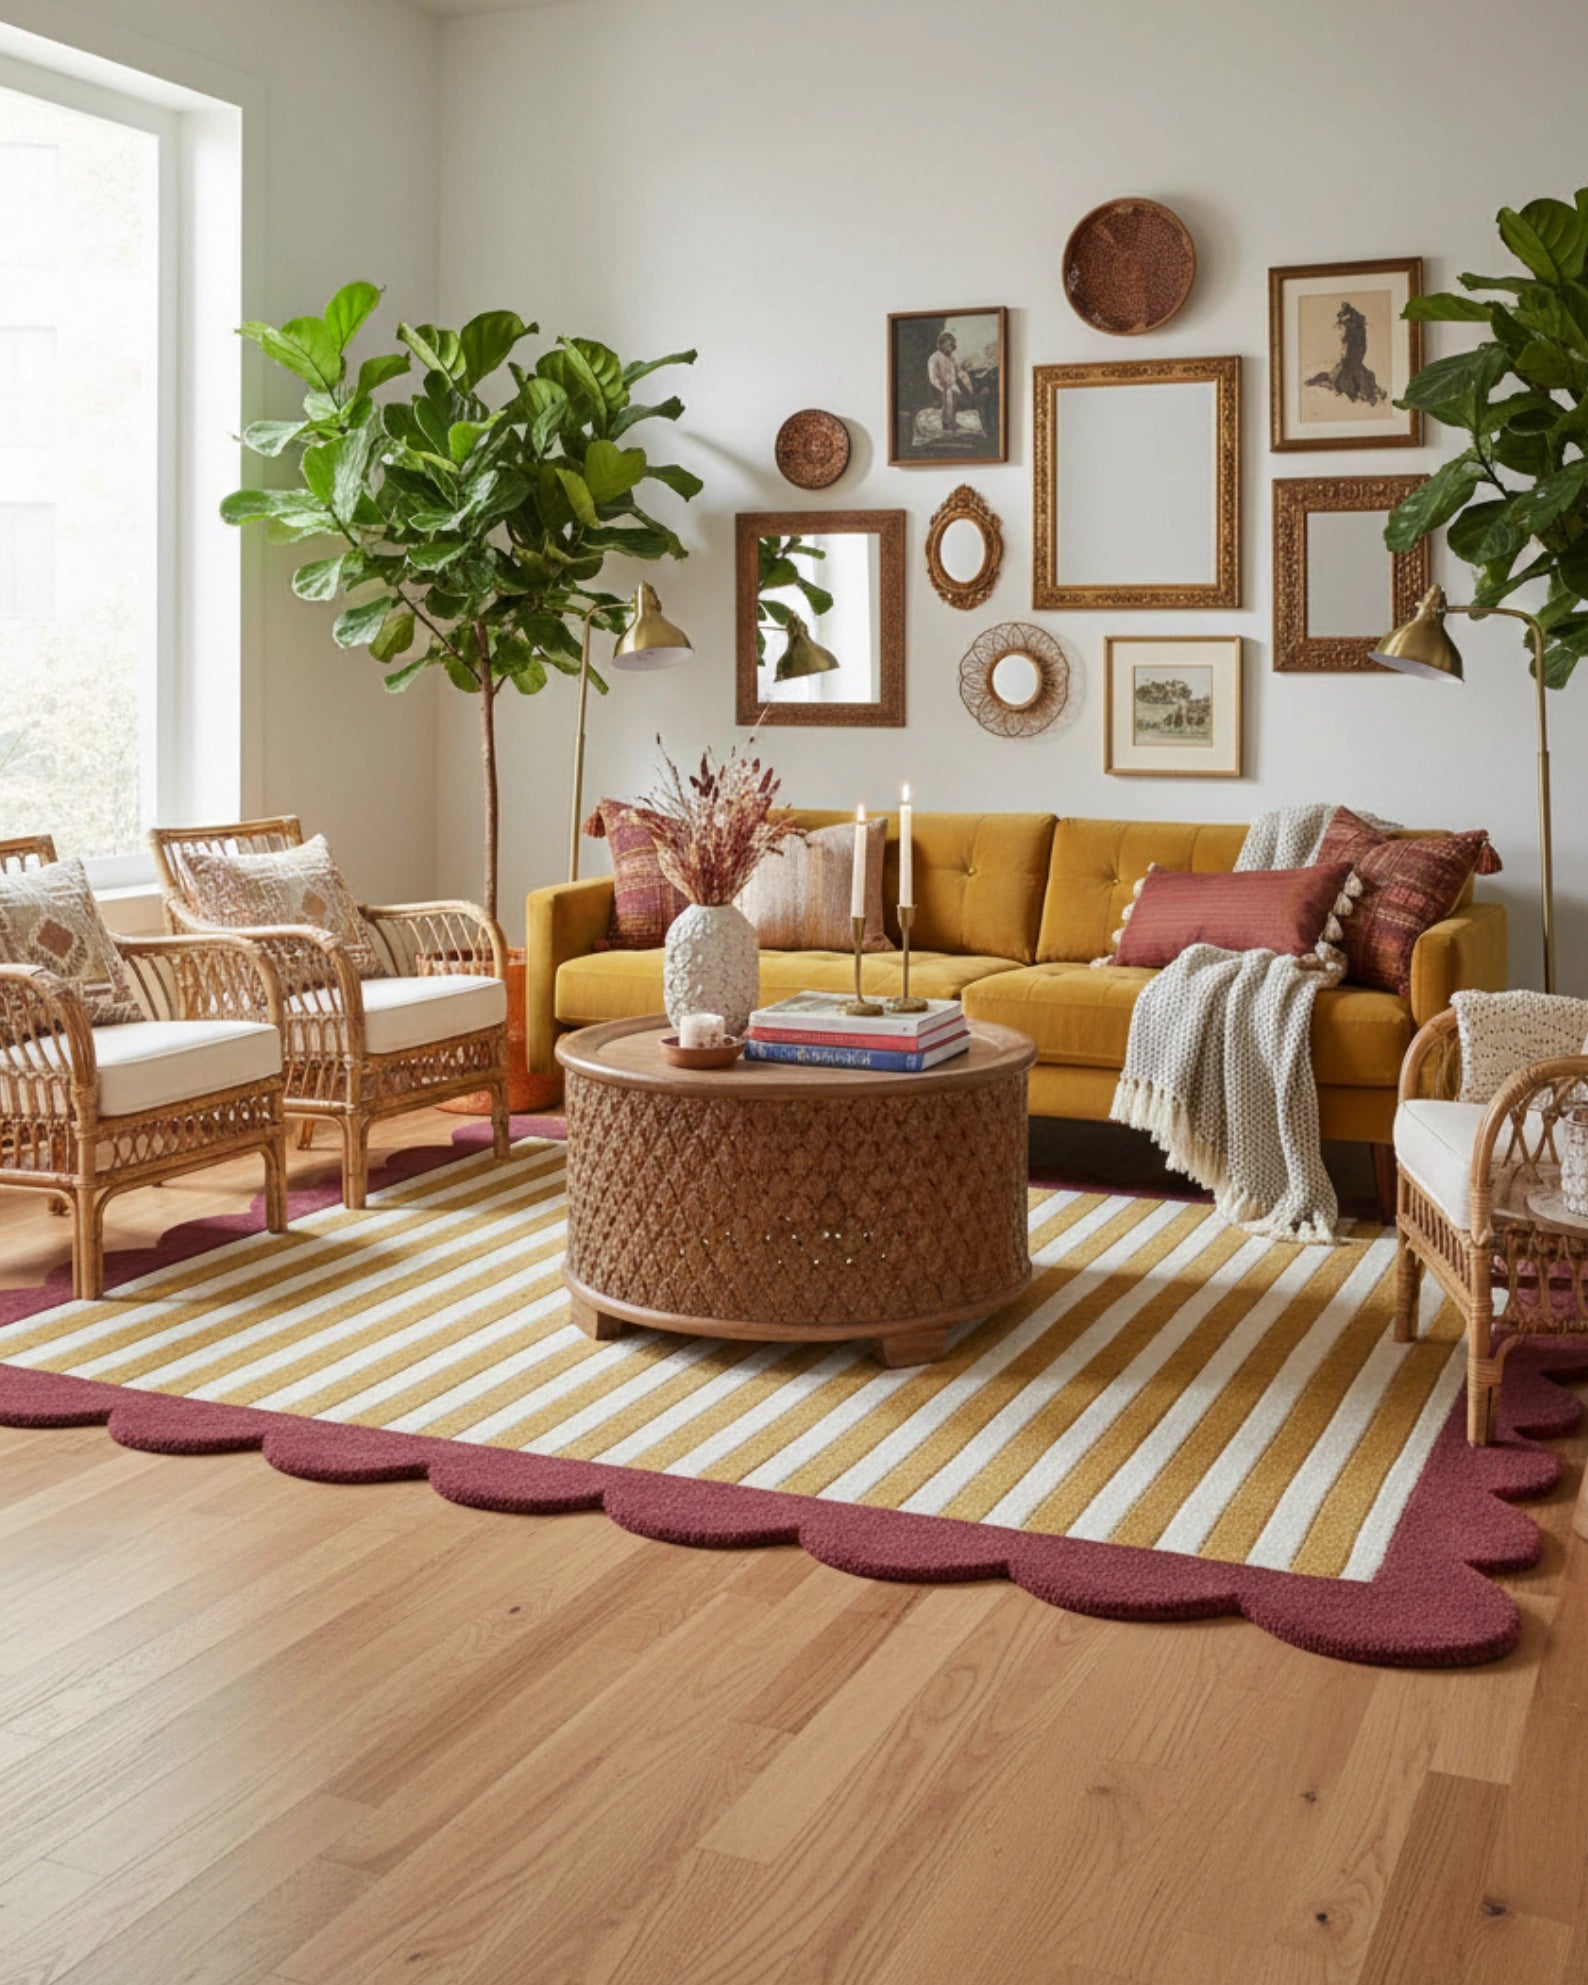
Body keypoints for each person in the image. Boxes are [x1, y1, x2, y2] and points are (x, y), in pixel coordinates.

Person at [927, 330, 977, 434]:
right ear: (941, 345)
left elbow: (959, 371)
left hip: (951, 385)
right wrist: (943, 388)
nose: (949, 348)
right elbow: (933, 378)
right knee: (949, 396)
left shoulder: (952, 357)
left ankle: (951, 420)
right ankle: (946, 423)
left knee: (955, 395)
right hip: (938, 387)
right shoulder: (934, 357)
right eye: (946, 345)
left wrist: (968, 384)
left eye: (950, 345)